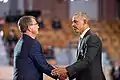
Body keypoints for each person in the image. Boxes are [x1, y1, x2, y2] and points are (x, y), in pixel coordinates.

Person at [51, 12, 106, 80]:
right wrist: (67, 75)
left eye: (75, 22)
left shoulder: (93, 38)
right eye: (72, 22)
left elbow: (87, 61)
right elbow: (81, 65)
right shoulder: (82, 39)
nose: (73, 24)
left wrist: (66, 69)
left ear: (85, 21)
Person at [13, 16, 58, 80]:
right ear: (29, 28)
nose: (38, 26)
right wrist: (59, 74)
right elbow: (43, 65)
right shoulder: (32, 44)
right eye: (36, 24)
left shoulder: (20, 42)